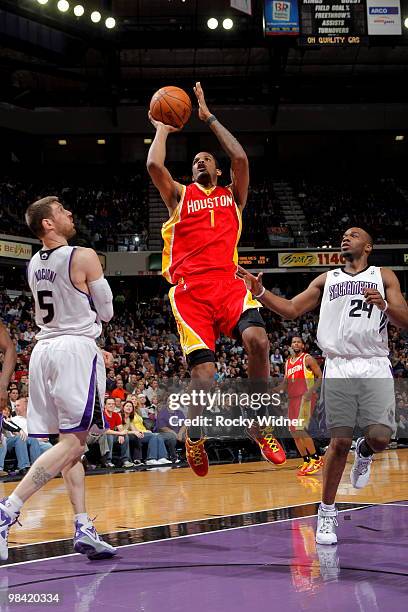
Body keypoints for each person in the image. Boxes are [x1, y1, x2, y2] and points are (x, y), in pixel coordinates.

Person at [147, 81, 285, 476]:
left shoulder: (232, 196)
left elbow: (241, 158)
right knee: (204, 379)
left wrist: (207, 118)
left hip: (228, 284)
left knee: (259, 339)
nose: (200, 163)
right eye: (195, 161)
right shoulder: (180, 196)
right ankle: (195, 436)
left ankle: (259, 423)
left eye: (206, 159)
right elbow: (155, 167)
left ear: (218, 169)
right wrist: (162, 127)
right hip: (190, 292)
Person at [237, 227, 408, 544]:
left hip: (374, 362)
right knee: (339, 442)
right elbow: (290, 309)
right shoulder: (326, 280)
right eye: (343, 235)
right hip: (339, 363)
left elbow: (405, 318)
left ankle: (366, 450)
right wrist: (259, 293)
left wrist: (385, 305)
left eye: (354, 235)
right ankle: (327, 513)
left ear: (368, 246)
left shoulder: (384, 276)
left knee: (381, 438)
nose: (346, 237)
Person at [0, 196, 116, 561]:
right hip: (73, 352)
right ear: (48, 224)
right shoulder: (84, 256)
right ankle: (7, 510)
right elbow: (108, 312)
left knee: (71, 446)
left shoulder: (34, 262)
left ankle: (83, 525)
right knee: (74, 443)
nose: (69, 213)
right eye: (62, 210)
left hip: (44, 352)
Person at [275, 336, 323, 476]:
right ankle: (306, 460)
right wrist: (273, 390)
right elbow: (285, 383)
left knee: (300, 428)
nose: (295, 344)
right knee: (293, 432)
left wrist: (311, 391)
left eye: (298, 342)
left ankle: (316, 458)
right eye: (293, 342)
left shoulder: (307, 358)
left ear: (302, 345)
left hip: (305, 397)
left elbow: (320, 376)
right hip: (293, 399)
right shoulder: (288, 362)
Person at [102, 398, 133, 469]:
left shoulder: (116, 415)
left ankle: (125, 460)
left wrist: (121, 434)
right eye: (109, 404)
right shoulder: (102, 415)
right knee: (109, 436)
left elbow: (121, 428)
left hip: (113, 434)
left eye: (113, 404)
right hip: (102, 436)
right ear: (105, 406)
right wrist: (120, 433)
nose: (111, 405)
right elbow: (106, 431)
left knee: (126, 436)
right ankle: (108, 461)